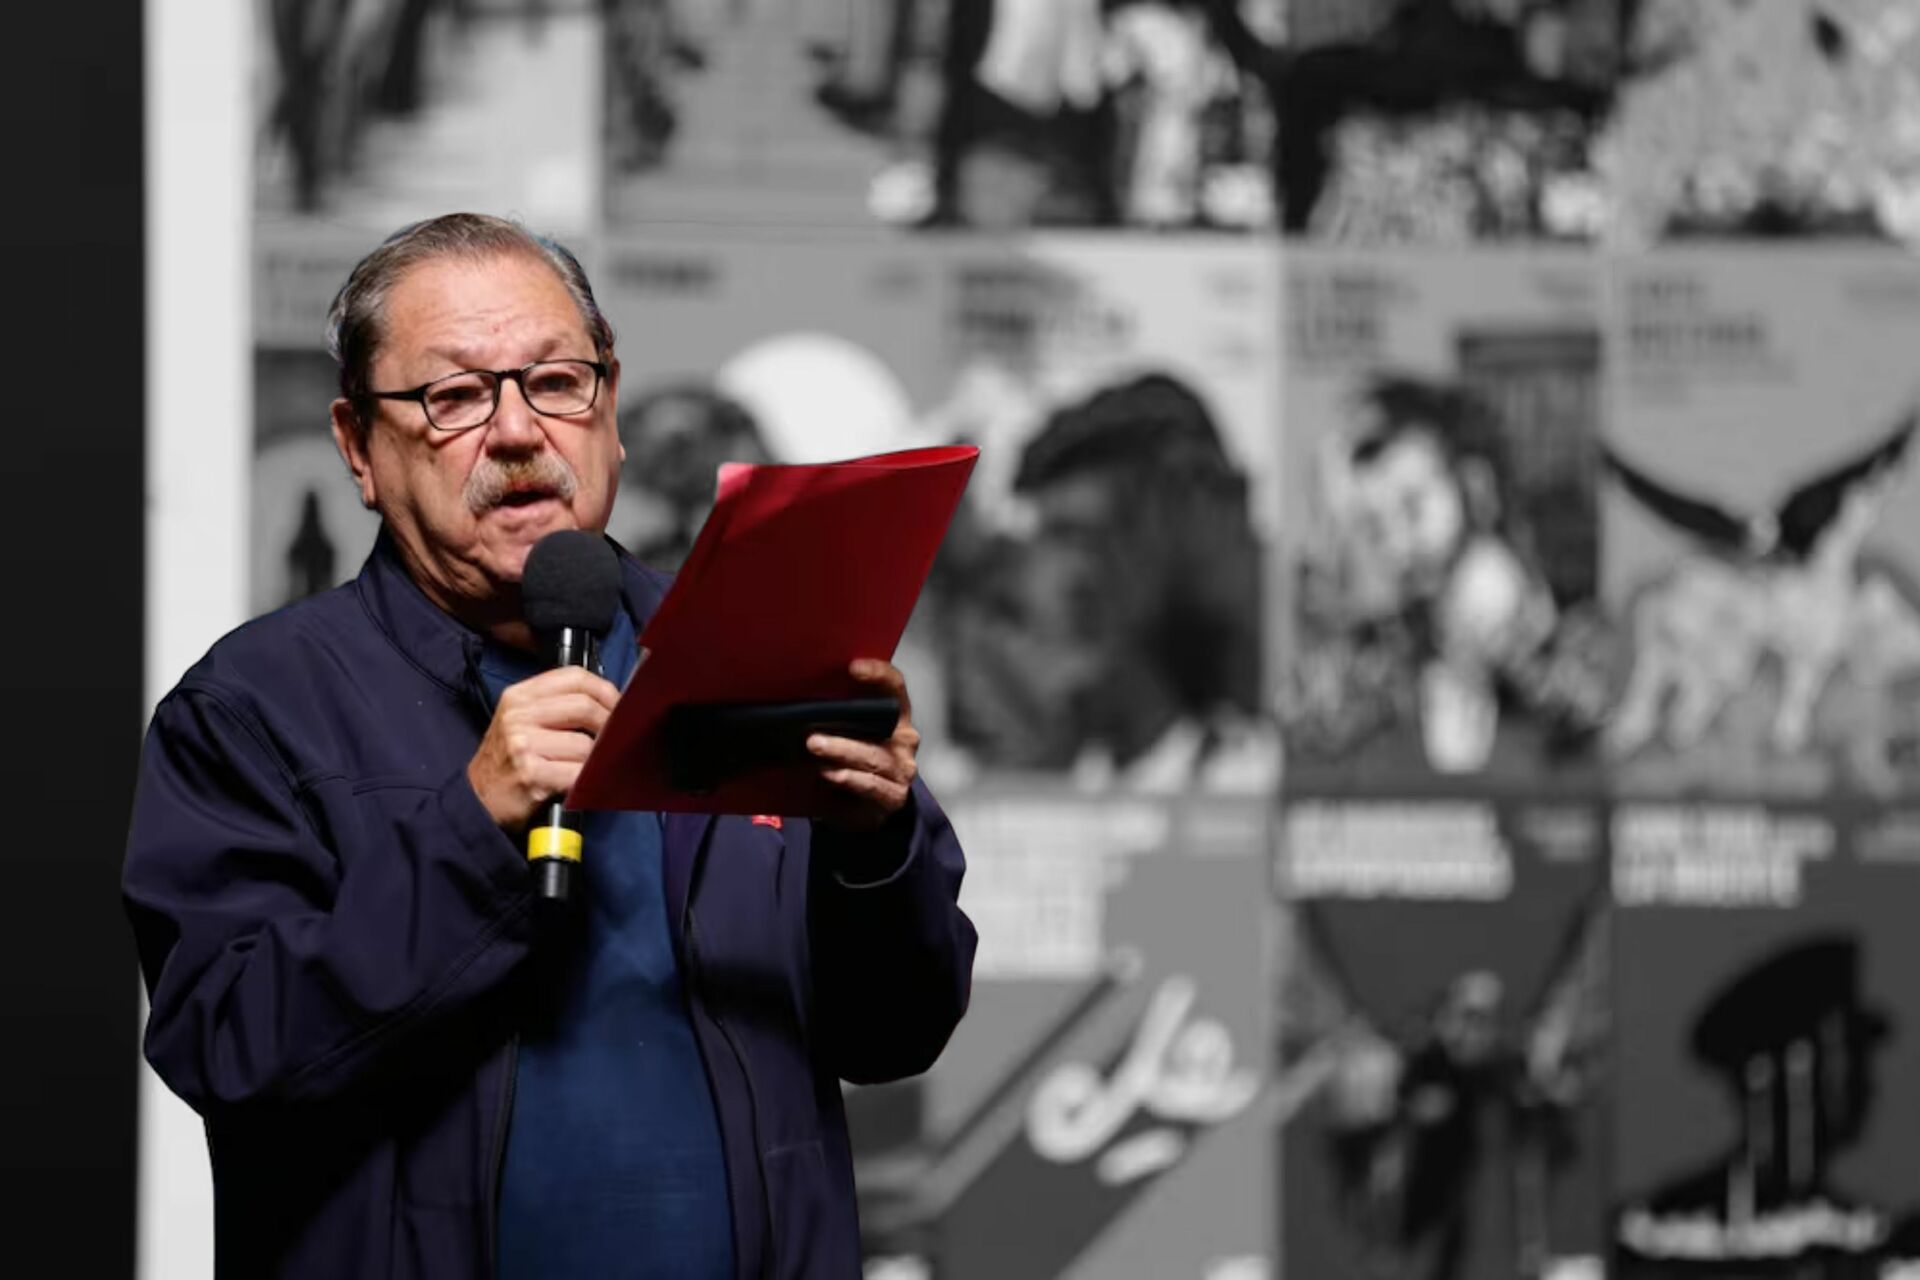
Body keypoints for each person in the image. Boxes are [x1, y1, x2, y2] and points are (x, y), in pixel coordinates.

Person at [122, 212, 977, 1279]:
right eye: (455, 396)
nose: (520, 432)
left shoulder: (756, 655)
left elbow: (897, 1031)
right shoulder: (254, 709)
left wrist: (874, 848)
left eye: (558, 382)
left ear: (609, 412)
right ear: (358, 446)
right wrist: (471, 828)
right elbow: (229, 1046)